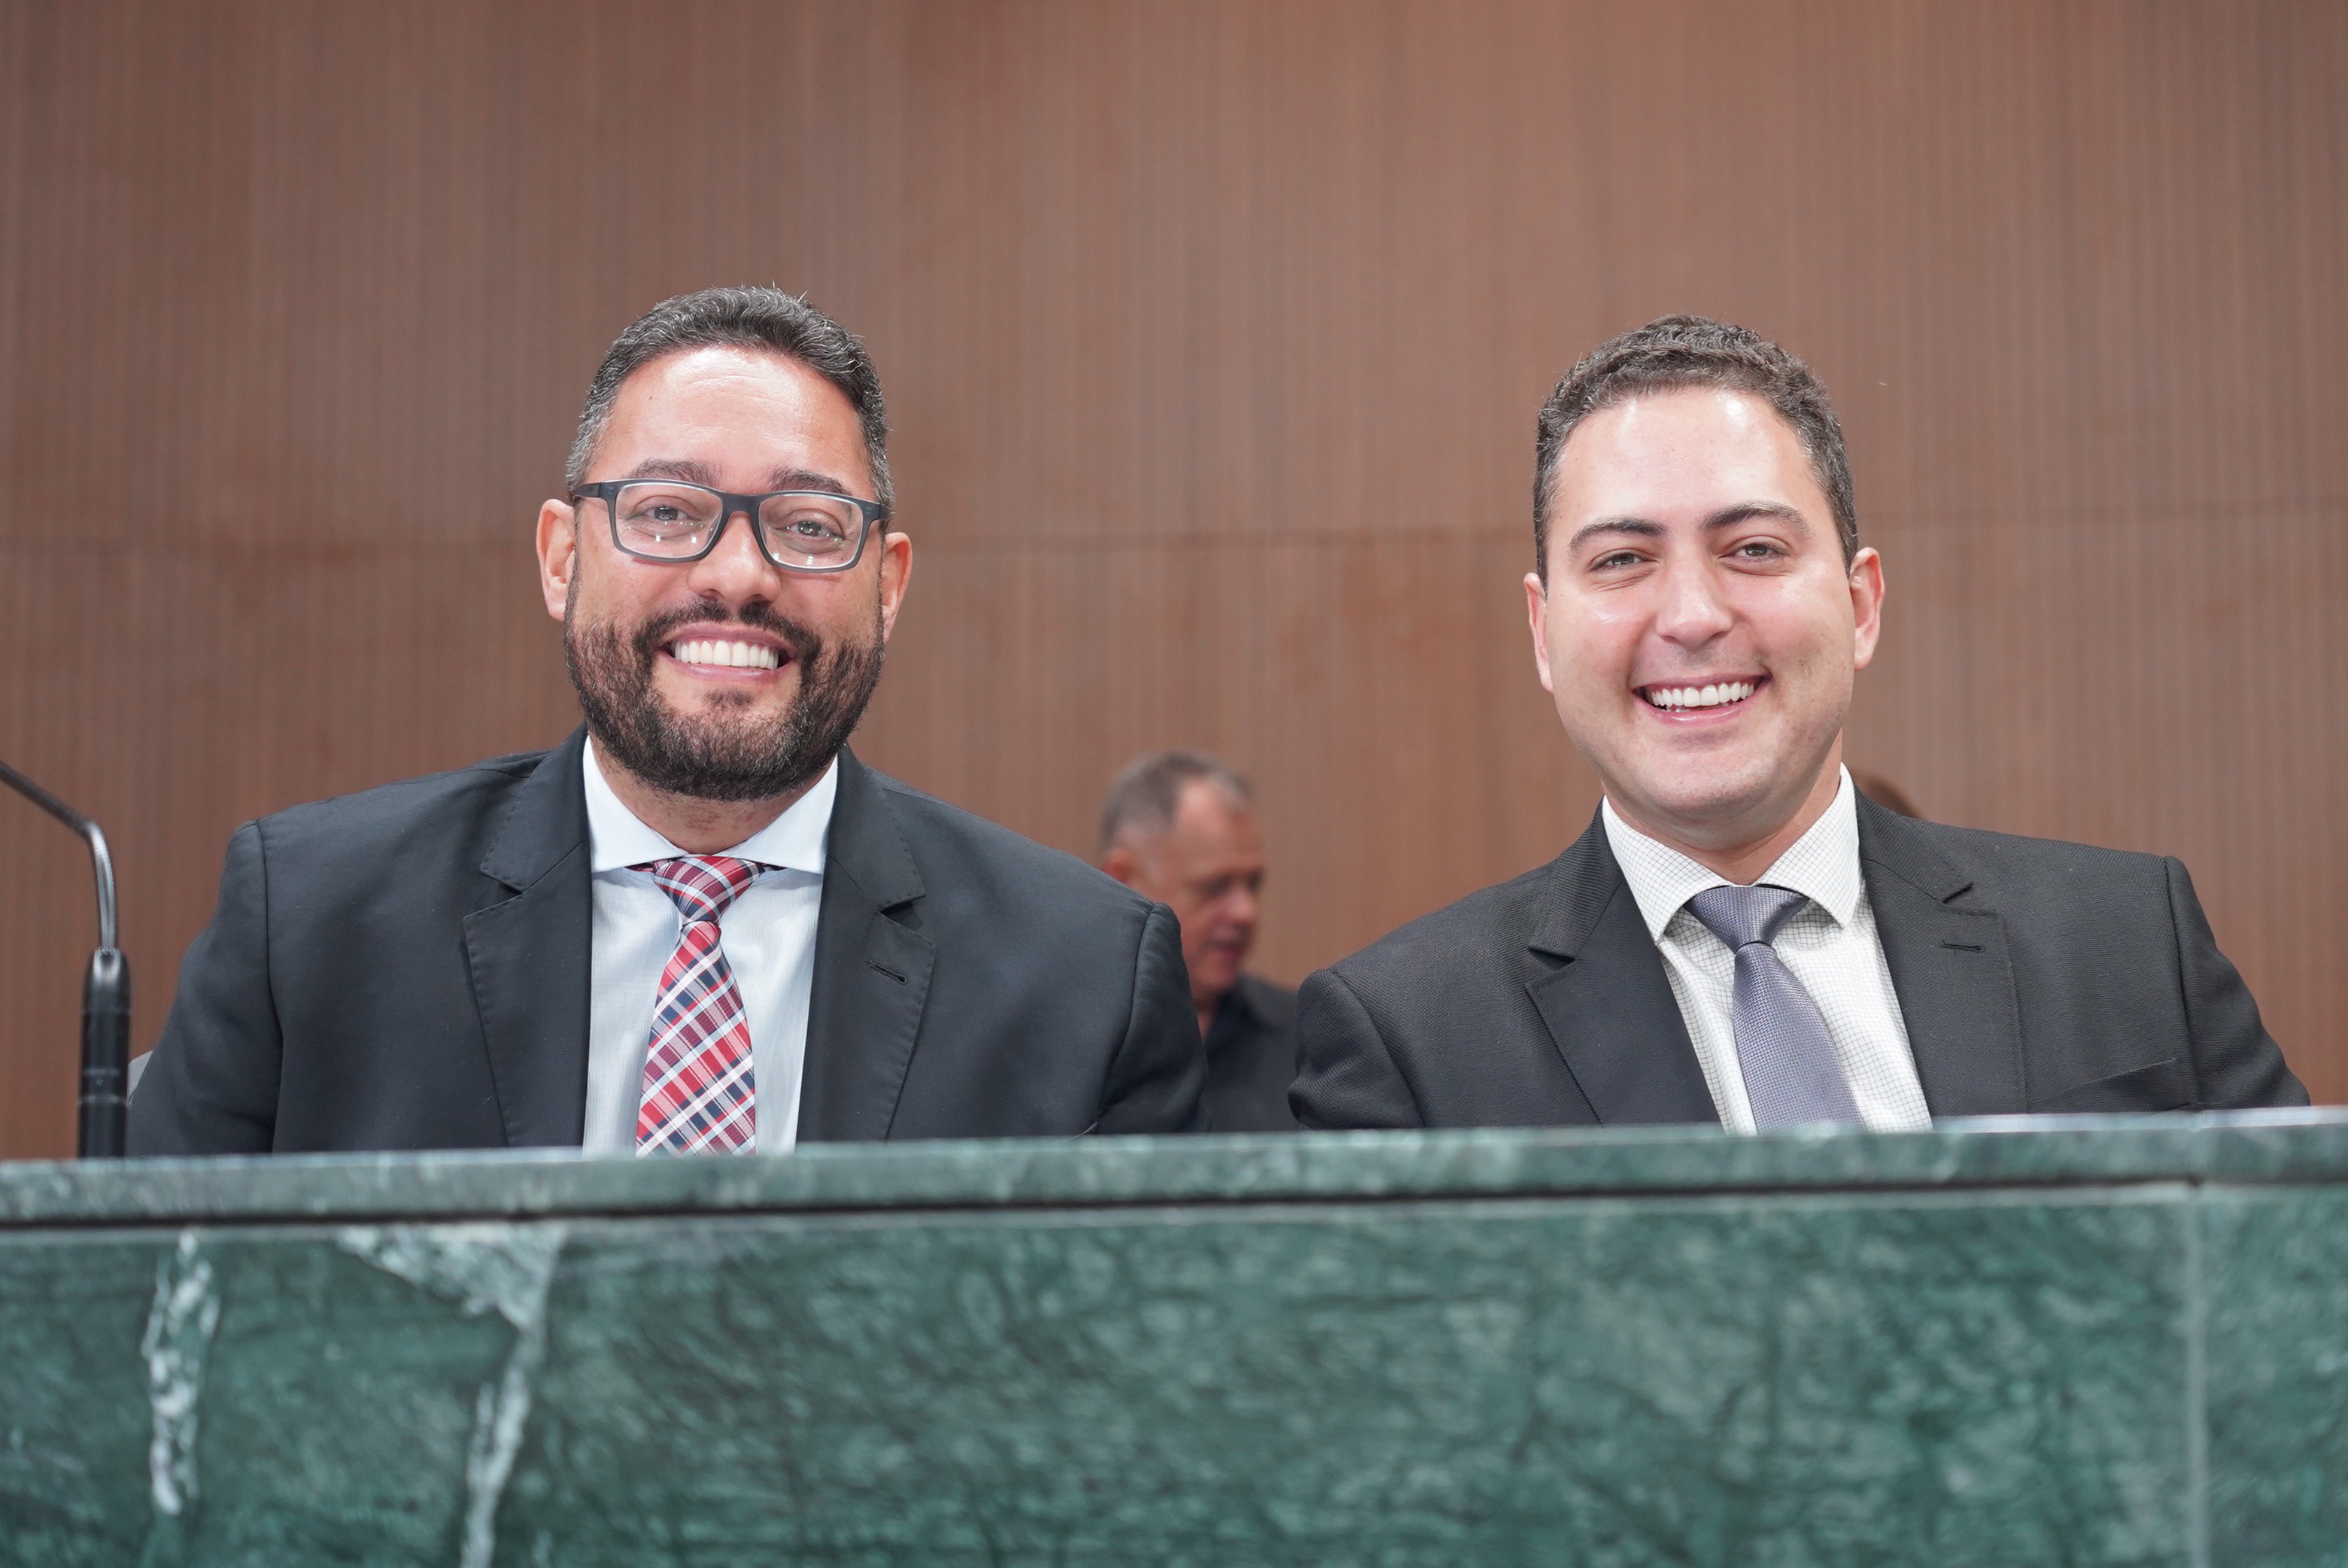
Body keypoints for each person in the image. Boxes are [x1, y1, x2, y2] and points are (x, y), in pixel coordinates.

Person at [132, 287, 1205, 1155]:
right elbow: (138, 1321)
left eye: (809, 525)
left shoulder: (1086, 979)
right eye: (665, 512)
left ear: (888, 584)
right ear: (561, 558)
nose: (737, 574)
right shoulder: (308, 924)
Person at [1292, 315, 2305, 1131]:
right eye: (1621, 560)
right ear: (1543, 630)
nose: (1692, 615)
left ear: (1861, 605)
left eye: (1753, 549)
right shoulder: (1408, 1039)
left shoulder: (2125, 940)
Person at [1100, 752, 1297, 1131]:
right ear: (1123, 881)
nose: (1245, 912)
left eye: (1252, 884)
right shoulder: (1061, 1044)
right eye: (1215, 886)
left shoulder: (1306, 1039)